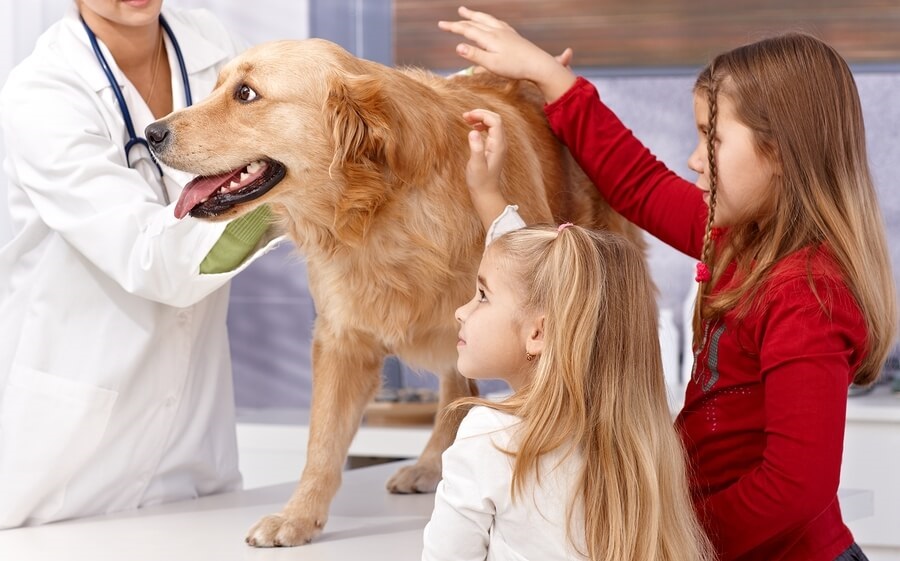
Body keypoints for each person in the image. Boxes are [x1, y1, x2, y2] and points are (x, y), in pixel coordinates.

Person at [439, 7, 899, 561]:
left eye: (711, 140)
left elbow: (797, 489)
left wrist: (669, 541)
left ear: (777, 152)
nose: (693, 160)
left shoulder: (806, 295)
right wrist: (550, 78)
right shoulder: (735, 241)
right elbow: (638, 183)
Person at [0, 0, 280, 528]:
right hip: (69, 458)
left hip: (192, 445)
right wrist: (287, 194)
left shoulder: (211, 43)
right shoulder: (44, 90)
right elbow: (152, 260)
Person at [422, 107, 712, 561]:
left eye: (480, 295)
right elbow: (545, 287)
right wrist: (486, 191)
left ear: (539, 334)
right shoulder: (642, 439)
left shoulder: (487, 436)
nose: (462, 311)